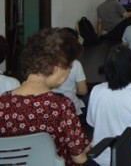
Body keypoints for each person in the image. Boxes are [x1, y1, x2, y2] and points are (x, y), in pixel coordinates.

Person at [0, 28, 91, 165]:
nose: (68, 73)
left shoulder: (3, 102)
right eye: (69, 67)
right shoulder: (61, 106)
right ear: (57, 67)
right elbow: (80, 157)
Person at [53, 27, 88, 116]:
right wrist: (71, 89)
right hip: (71, 110)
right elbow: (83, 91)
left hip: (51, 108)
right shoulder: (75, 64)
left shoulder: (46, 62)